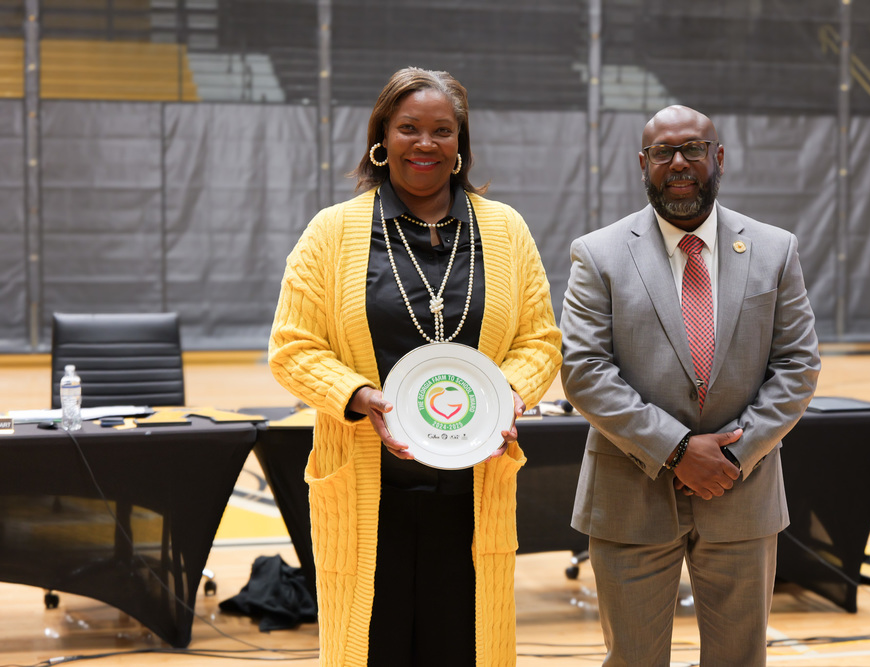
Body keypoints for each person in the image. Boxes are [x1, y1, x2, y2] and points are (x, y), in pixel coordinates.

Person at [268, 67, 561, 667]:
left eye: (442, 131)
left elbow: (540, 340)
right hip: (366, 491)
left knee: (467, 647)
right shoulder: (332, 232)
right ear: (382, 138)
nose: (425, 144)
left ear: (460, 147)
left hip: (474, 488)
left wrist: (505, 396)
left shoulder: (506, 231)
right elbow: (292, 347)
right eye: (408, 129)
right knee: (369, 649)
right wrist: (356, 396)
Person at [559, 105, 821, 666]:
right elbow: (584, 370)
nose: (678, 163)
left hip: (741, 493)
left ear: (718, 157)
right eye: (663, 153)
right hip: (630, 495)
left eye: (693, 149)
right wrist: (677, 450)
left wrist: (732, 455)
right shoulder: (598, 254)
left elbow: (798, 365)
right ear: (643, 163)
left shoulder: (775, 250)